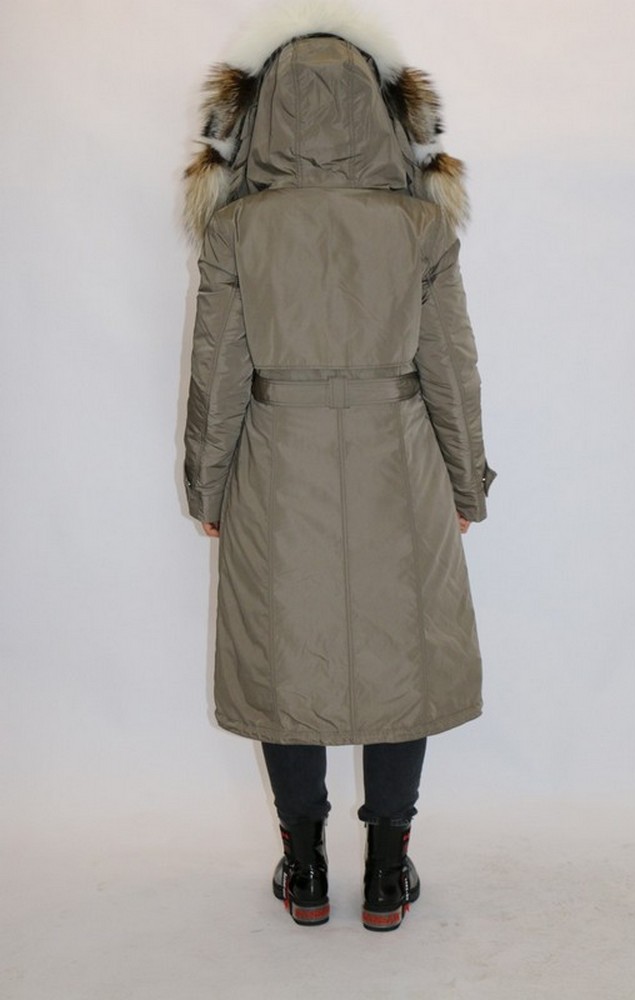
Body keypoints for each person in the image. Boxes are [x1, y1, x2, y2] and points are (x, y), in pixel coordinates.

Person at [182, 3, 496, 932]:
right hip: (401, 460)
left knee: (284, 658)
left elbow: (216, 369)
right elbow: (451, 366)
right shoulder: (418, 225)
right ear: (382, 111)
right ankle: (388, 870)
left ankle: (305, 866)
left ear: (263, 110)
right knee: (401, 656)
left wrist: (207, 485)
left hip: (274, 464)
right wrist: (466, 482)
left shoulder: (238, 229)